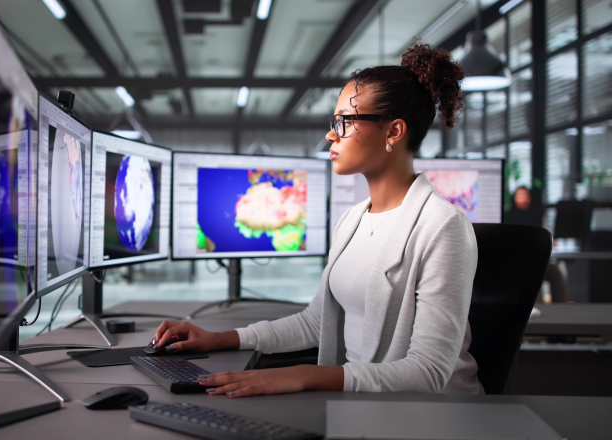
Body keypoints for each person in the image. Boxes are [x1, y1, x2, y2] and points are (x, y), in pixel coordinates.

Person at [152, 41, 483, 396]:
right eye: (333, 122)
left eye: (344, 121)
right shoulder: (353, 220)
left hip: (432, 418)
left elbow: (428, 372)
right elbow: (316, 322)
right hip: (365, 404)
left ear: (393, 132)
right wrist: (220, 339)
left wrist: (309, 376)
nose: (330, 134)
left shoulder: (443, 227)